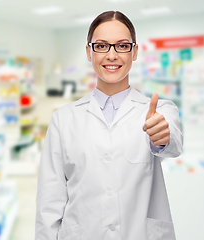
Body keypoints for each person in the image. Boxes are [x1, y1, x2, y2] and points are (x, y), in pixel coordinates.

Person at [35, 10, 183, 240]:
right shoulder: (63, 119)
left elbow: (172, 141)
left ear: (134, 52)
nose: (112, 55)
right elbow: (49, 202)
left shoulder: (159, 111)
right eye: (101, 46)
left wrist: (162, 137)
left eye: (122, 46)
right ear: (88, 52)